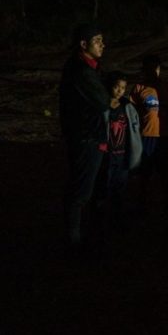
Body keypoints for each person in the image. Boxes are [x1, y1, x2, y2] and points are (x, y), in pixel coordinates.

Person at [58, 24, 111, 248]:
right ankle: (74, 241)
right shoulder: (82, 71)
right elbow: (103, 101)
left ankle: (81, 235)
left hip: (86, 135)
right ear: (83, 44)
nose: (102, 45)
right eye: (97, 40)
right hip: (86, 137)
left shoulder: (86, 68)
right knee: (81, 191)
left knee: (84, 188)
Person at [93, 71, 142, 233]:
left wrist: (135, 154)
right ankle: (98, 223)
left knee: (119, 190)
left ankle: (117, 221)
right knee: (102, 189)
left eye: (123, 88)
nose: (120, 90)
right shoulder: (101, 106)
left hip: (122, 155)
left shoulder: (127, 107)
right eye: (116, 87)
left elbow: (134, 132)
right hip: (105, 156)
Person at [130, 54, 168, 212]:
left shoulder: (167, 87)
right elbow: (132, 112)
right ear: (145, 70)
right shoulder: (139, 88)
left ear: (159, 69)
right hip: (146, 135)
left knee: (164, 171)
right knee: (145, 170)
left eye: (155, 68)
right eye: (149, 69)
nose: (153, 71)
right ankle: (142, 202)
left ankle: (167, 202)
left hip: (163, 135)